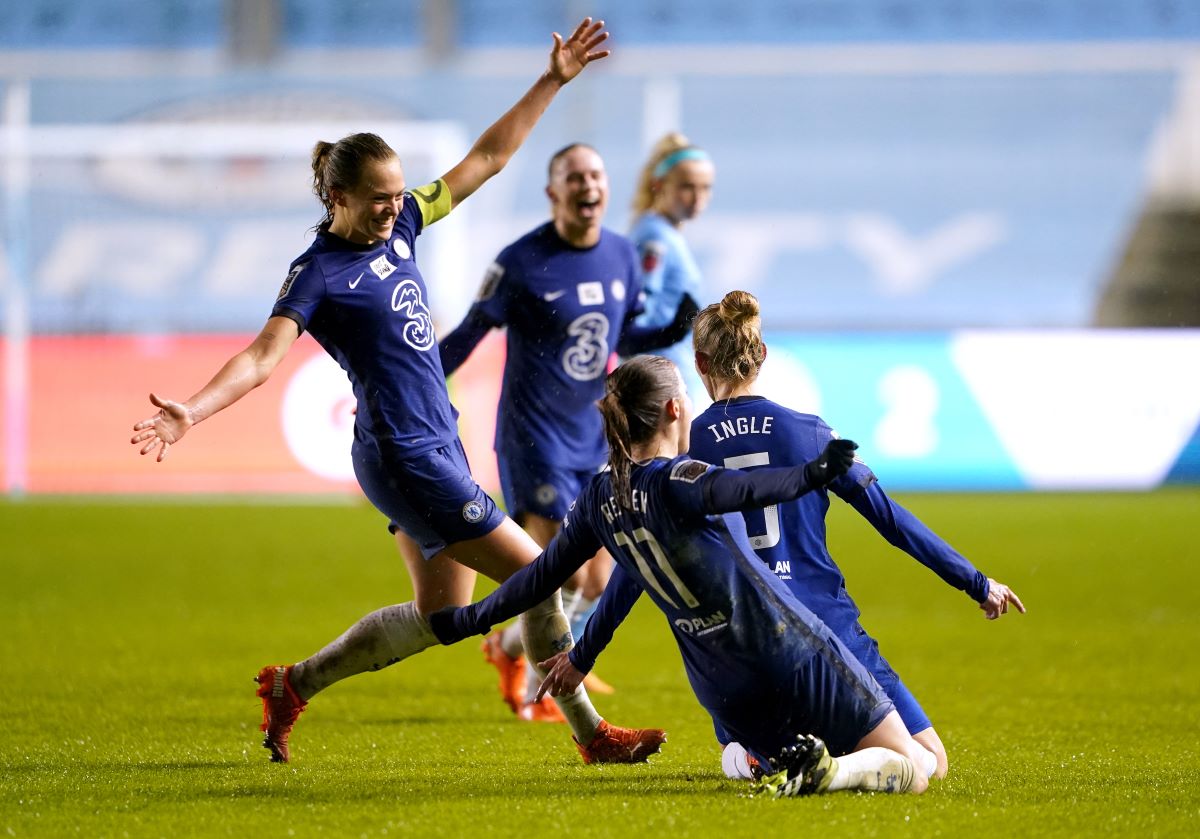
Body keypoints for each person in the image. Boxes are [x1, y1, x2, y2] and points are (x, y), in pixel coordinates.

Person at [129, 18, 666, 767]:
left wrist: (552, 79)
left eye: (396, 194)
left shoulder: (404, 224)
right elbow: (262, 356)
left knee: (441, 614)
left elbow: (487, 157)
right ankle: (588, 733)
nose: (394, 208)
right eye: (378, 199)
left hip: (430, 439)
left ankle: (296, 682)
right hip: (404, 452)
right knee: (545, 574)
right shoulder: (317, 273)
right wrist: (192, 409)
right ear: (337, 196)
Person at [426, 355, 942, 797]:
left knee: (793, 750)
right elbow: (741, 490)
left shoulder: (597, 500)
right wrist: (810, 474)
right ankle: (829, 775)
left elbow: (536, 579)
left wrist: (470, 619)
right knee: (918, 766)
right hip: (790, 654)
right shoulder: (680, 477)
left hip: (721, 689)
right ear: (674, 409)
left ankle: (782, 763)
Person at [687, 290, 1026, 781]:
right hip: (826, 632)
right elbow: (890, 519)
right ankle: (832, 769)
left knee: (758, 736)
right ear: (762, 354)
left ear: (699, 362)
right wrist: (975, 582)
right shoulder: (809, 433)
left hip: (735, 646)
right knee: (929, 763)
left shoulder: (686, 447)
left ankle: (752, 757)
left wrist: (586, 651)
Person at [438, 143, 696, 719]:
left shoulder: (624, 256)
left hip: (596, 435)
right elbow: (467, 334)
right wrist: (406, 384)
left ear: (607, 187)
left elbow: (622, 343)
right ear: (553, 191)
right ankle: (541, 683)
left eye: (596, 175)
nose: (588, 186)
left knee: (600, 577)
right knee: (558, 567)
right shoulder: (521, 261)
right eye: (574, 176)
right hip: (535, 438)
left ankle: (510, 649)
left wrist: (672, 328)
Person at [628, 133, 715, 408]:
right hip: (660, 384)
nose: (697, 198)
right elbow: (639, 311)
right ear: (659, 185)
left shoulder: (667, 234)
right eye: (687, 187)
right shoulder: (656, 238)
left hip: (673, 377)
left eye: (706, 187)